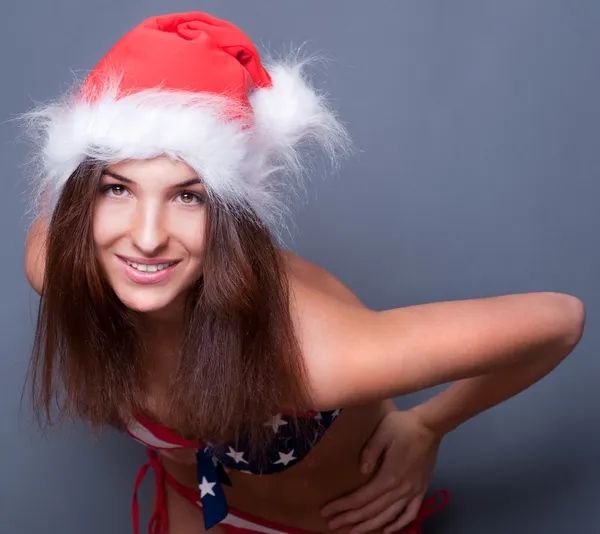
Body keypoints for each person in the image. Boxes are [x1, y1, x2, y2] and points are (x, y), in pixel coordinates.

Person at [22, 11, 585, 534]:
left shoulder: (315, 357)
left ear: (234, 214)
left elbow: (560, 321)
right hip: (196, 504)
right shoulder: (61, 265)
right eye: (117, 188)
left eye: (189, 197)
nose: (145, 237)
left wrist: (426, 426)